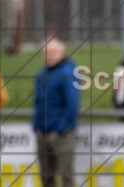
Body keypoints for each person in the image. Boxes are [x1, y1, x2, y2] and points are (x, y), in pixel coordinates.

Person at [33, 39, 81, 187]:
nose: (49, 56)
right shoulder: (42, 74)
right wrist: (37, 125)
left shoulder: (68, 73)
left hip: (61, 134)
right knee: (46, 175)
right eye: (46, 53)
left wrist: (62, 128)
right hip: (43, 132)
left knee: (66, 175)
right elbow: (38, 102)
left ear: (62, 53)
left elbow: (72, 104)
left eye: (53, 53)